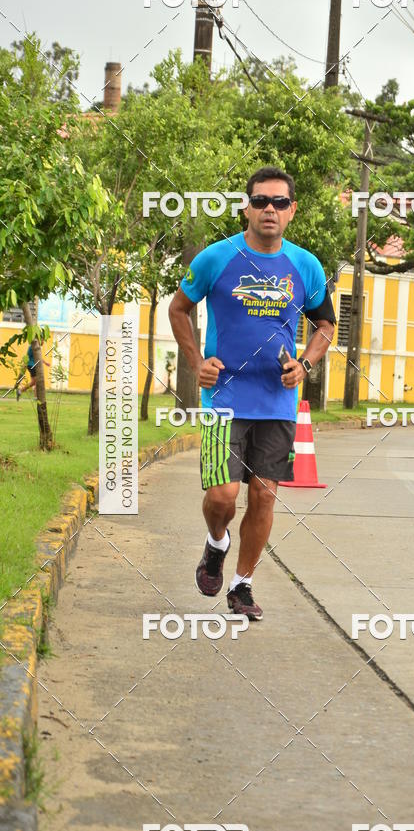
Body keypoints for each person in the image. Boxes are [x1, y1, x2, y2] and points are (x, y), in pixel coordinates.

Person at [168, 166, 336, 621]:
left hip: (277, 400)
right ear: (246, 206)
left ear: (292, 211)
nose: (269, 210)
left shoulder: (306, 266)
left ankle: (242, 585)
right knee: (223, 496)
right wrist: (195, 362)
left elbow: (326, 325)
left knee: (263, 495)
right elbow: (179, 309)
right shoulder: (215, 259)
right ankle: (217, 543)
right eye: (261, 201)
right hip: (223, 396)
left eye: (280, 202)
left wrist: (305, 364)